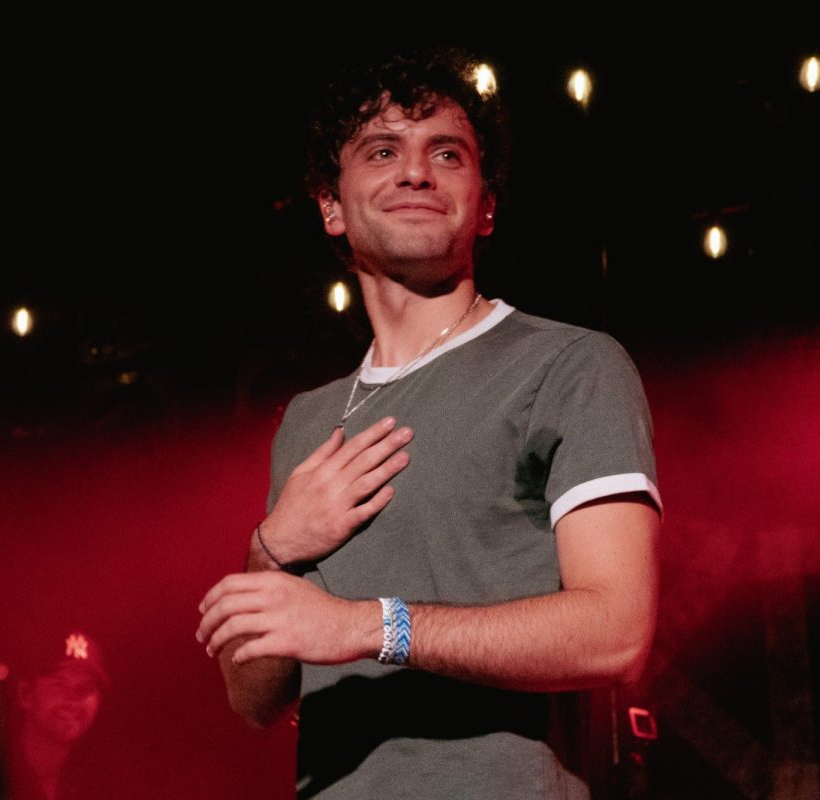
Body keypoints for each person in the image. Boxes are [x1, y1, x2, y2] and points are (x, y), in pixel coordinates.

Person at [197, 47, 662, 799]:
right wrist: (270, 547)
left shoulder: (570, 365)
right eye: (383, 150)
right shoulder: (308, 419)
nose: (416, 171)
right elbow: (254, 701)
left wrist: (370, 626)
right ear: (331, 205)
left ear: (484, 205)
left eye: (446, 153)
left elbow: (617, 631)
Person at [4, 630, 110, 800]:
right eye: (59, 685)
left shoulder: (100, 782)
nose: (73, 697)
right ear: (25, 694)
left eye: (87, 687)